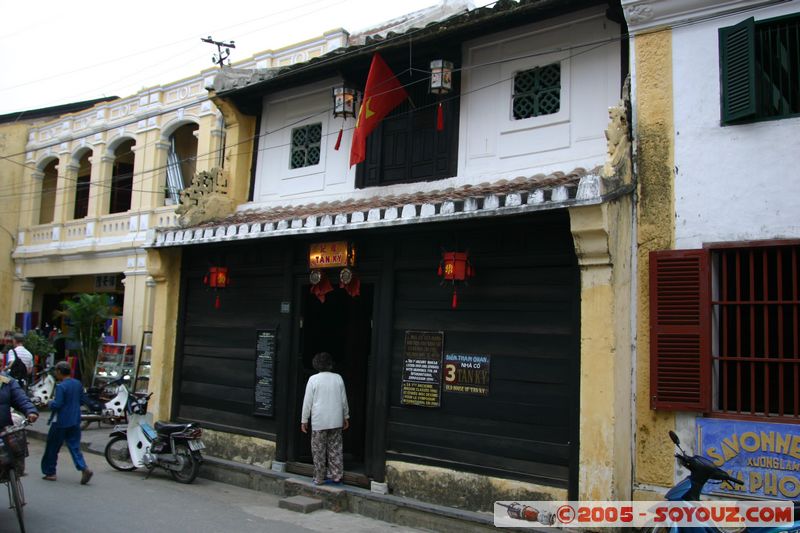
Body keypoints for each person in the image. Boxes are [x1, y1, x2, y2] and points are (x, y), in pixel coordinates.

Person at [300, 351, 349, 485]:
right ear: (330, 364)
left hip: (319, 421)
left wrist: (304, 419)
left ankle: (319, 477)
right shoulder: (338, 378)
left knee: (318, 450)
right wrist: (346, 416)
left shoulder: (313, 379)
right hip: (335, 419)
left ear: (316, 364)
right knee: (335, 449)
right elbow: (343, 400)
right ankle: (336, 475)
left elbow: (307, 402)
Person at [41, 361, 93, 484]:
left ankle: (50, 472)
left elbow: (58, 404)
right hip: (75, 419)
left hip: (61, 421)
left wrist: (49, 403)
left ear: (59, 372)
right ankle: (83, 467)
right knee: (75, 446)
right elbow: (81, 400)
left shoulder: (61, 386)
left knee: (52, 447)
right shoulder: (77, 384)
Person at [0, 369, 39, 475]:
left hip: (3, 427)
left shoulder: (7, 382)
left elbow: (21, 398)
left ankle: (16, 470)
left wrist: (30, 411)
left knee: (15, 445)